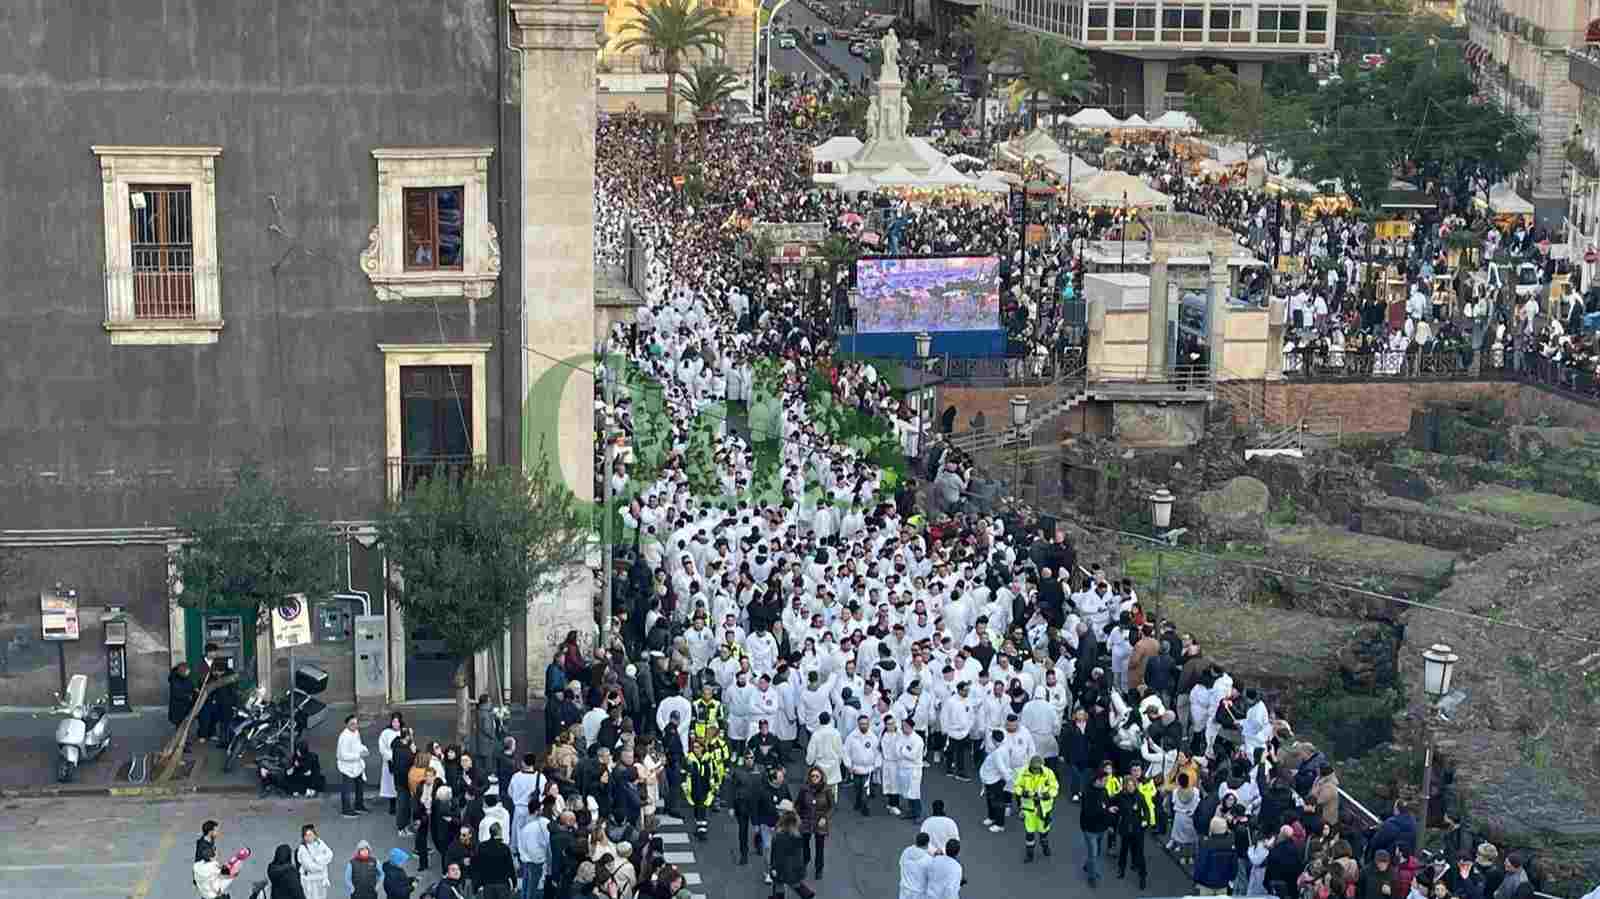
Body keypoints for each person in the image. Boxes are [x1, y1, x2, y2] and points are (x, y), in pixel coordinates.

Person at [1013, 755, 1058, 863]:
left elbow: (1055, 787)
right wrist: (1024, 793)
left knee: (1044, 831)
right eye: (1034, 768)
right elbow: (1016, 786)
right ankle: (1030, 854)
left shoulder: (1048, 773)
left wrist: (1047, 795)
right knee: (1029, 833)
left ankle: (1045, 845)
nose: (1036, 770)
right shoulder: (1023, 773)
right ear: (1030, 766)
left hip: (1044, 809)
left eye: (1038, 768)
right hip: (1029, 809)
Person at [795, 766, 834, 880]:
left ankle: (819, 869)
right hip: (806, 820)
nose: (815, 778)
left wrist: (825, 818)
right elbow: (798, 804)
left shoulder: (827, 790)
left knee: (819, 847)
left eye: (817, 776)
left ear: (821, 777)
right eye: (813, 776)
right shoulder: (804, 789)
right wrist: (797, 816)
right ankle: (804, 863)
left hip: (820, 821)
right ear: (809, 777)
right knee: (804, 845)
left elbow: (832, 807)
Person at [1079, 767, 1111, 887]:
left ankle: (1088, 866)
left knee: (1096, 851)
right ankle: (1092, 877)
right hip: (1090, 829)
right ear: (1098, 780)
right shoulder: (1088, 793)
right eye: (1105, 780)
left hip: (1101, 828)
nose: (1106, 783)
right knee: (1093, 853)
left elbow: (1107, 804)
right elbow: (1089, 812)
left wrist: (1106, 810)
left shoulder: (1104, 790)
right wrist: (1105, 810)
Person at [767, 810, 808, 899]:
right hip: (795, 867)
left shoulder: (778, 838)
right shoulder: (798, 836)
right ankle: (807, 895)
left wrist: (773, 868)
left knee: (779, 886)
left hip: (782, 868)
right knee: (796, 884)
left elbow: (776, 856)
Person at [338, 714, 371, 818]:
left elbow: (358, 744)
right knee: (346, 789)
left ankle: (359, 805)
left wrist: (364, 750)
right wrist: (358, 755)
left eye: (356, 723)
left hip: (357, 766)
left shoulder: (356, 732)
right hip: (347, 767)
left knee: (359, 786)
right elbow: (342, 755)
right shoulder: (343, 737)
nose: (355, 726)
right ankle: (346, 810)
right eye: (352, 724)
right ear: (347, 725)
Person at [1193, 817, 1237, 895]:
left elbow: (1201, 864)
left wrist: (1196, 879)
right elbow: (1234, 866)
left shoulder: (1206, 844)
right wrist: (1231, 878)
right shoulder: (1231, 844)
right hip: (1223, 883)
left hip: (1206, 884)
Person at [474, 822, 518, 899]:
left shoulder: (482, 847)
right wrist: (514, 883)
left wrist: (477, 885)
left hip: (487, 884)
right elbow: (510, 867)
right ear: (500, 832)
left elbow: (478, 867)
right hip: (502, 885)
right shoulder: (504, 848)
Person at [296, 824, 334, 899]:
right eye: (306, 835)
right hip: (309, 881)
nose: (308, 837)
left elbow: (330, 854)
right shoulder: (303, 849)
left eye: (310, 834)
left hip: (320, 879)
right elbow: (309, 867)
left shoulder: (319, 842)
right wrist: (322, 865)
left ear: (314, 834)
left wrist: (317, 859)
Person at [380, 713, 407, 814]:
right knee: (391, 785)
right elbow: (382, 748)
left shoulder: (404, 732)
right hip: (390, 762)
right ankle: (392, 806)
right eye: (394, 722)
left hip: (402, 763)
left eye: (397, 722)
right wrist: (392, 757)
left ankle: (401, 804)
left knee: (401, 784)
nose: (395, 724)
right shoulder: (386, 733)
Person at [898, 833, 934, 899]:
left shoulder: (906, 852)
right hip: (919, 894)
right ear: (927, 843)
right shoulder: (929, 860)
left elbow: (901, 864)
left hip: (904, 892)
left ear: (915, 841)